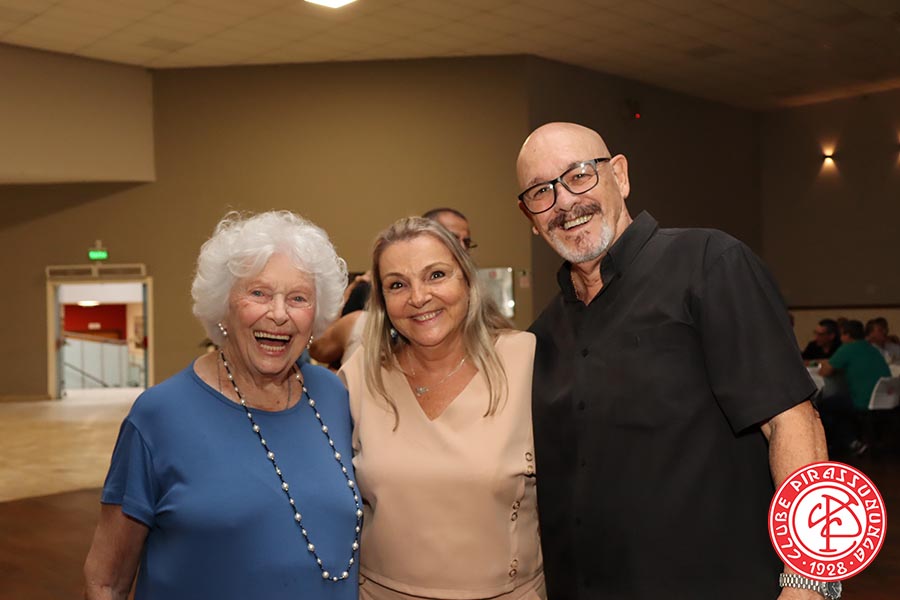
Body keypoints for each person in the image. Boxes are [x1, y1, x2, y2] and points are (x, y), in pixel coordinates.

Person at [516, 122, 828, 600]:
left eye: (578, 175)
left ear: (619, 176)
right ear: (529, 216)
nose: (564, 202)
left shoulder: (710, 264)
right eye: (541, 191)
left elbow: (792, 422)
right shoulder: (542, 335)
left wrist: (809, 579)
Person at [84, 211, 360, 599]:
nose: (279, 314)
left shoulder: (333, 395)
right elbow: (106, 581)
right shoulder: (160, 415)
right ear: (223, 305)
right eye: (259, 293)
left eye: (298, 298)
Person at [339, 217, 545, 600]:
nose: (418, 297)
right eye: (397, 284)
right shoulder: (360, 376)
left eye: (436, 275)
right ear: (382, 302)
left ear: (467, 280)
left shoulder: (526, 360)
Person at [819, 319, 891, 455]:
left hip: (862, 401)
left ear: (847, 335)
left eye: (842, 334)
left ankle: (847, 442)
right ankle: (852, 441)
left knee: (823, 405)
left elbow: (825, 372)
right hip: (881, 401)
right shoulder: (872, 348)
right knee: (839, 404)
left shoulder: (847, 348)